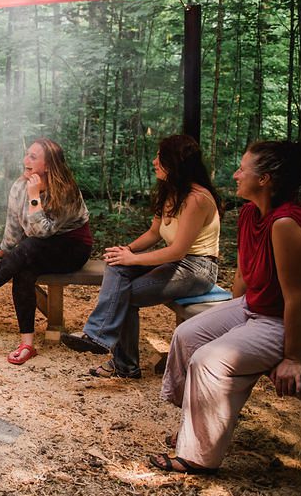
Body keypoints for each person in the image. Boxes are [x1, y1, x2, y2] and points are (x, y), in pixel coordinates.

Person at [148, 141, 301, 474]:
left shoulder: (286, 225)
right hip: (259, 308)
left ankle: (197, 456)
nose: (236, 174)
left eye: (243, 168)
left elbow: (295, 298)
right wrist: (229, 314)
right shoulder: (250, 213)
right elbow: (244, 274)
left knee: (208, 360)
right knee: (187, 335)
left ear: (265, 179)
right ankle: (197, 425)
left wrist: (293, 359)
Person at [61, 134, 221, 379]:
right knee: (116, 266)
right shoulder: (170, 192)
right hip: (174, 263)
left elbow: (178, 250)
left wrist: (133, 259)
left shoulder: (196, 199)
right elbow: (154, 232)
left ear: (175, 162)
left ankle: (121, 361)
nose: (154, 162)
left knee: (126, 294)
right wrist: (127, 251)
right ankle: (99, 339)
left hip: (197, 268)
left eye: (160, 157)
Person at [0, 139, 91, 363]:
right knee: (23, 271)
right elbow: (13, 223)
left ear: (48, 165)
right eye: (26, 155)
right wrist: (6, 249)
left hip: (71, 248)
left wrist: (34, 195)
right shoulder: (19, 186)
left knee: (29, 245)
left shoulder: (66, 191)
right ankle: (27, 344)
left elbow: (42, 232)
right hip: (37, 248)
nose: (26, 160)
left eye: (33, 157)